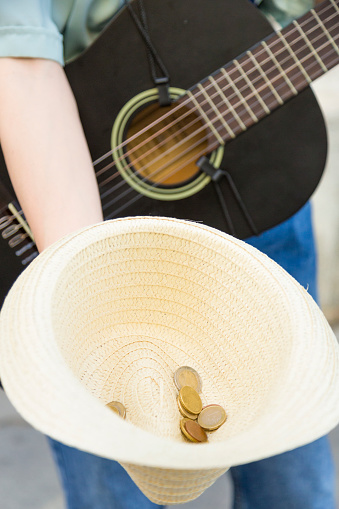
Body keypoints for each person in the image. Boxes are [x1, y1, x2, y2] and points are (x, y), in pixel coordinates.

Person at [0, 1, 335, 508]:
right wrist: (87, 297)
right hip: (61, 195)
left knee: (296, 487)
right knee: (117, 486)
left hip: (255, 180)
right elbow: (17, 51)